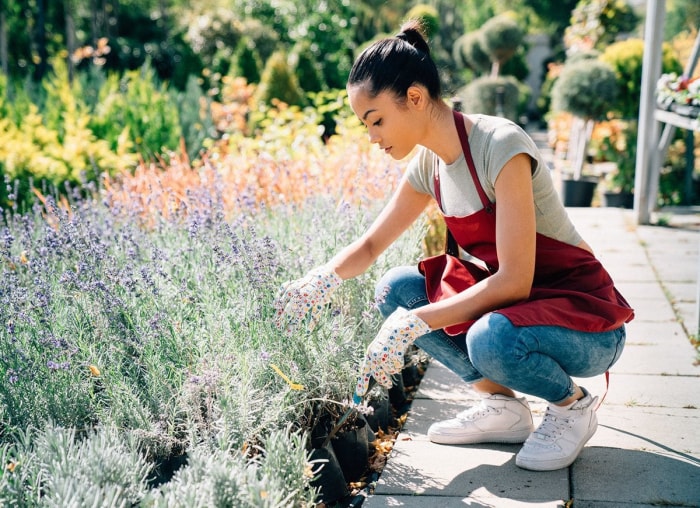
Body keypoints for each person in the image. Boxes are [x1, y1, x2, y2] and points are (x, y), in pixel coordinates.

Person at [274, 19, 634, 472]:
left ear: (417, 98)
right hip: (521, 312)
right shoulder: (429, 165)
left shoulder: (499, 145)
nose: (372, 137)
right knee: (397, 288)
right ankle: (503, 408)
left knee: (489, 337)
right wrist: (319, 279)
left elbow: (516, 281)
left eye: (376, 120)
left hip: (586, 321)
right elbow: (370, 247)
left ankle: (572, 406)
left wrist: (415, 324)